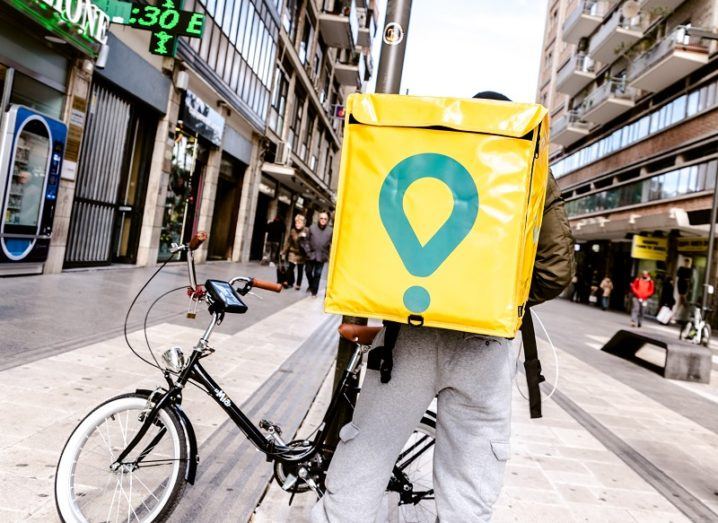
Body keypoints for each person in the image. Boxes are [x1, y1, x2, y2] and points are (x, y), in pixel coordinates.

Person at [311, 91, 575, 523]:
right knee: (468, 490)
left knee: (360, 470)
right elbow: (554, 271)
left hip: (406, 339)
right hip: (484, 347)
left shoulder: (418, 148)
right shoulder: (527, 165)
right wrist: (492, 299)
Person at [303, 211, 333, 297]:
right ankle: (311, 285)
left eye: (325, 219)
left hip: (322, 256)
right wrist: (308, 251)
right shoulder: (312, 228)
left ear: (327, 220)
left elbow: (332, 243)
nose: (323, 220)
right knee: (308, 271)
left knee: (318, 274)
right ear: (318, 219)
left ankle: (314, 292)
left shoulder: (330, 231)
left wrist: (329, 254)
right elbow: (306, 241)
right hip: (311, 254)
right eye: (321, 218)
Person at [281, 214, 308, 290]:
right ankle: (287, 281)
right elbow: (289, 242)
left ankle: (298, 284)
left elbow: (309, 243)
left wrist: (304, 237)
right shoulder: (293, 231)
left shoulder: (306, 231)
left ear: (303, 223)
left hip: (301, 254)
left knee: (300, 269)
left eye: (299, 223)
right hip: (293, 252)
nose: (297, 224)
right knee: (290, 268)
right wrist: (283, 251)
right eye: (296, 223)